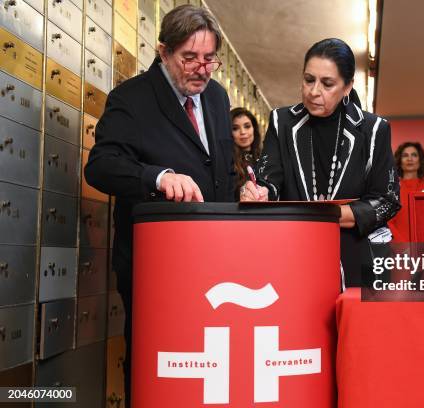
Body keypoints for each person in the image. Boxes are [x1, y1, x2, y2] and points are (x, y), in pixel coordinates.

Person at [84, 5, 235, 406]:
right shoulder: (131, 98)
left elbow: (221, 169)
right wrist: (157, 176)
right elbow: (100, 166)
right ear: (163, 51)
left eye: (210, 59)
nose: (202, 69)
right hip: (157, 265)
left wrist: (244, 191)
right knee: (160, 367)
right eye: (190, 58)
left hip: (216, 265)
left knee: (208, 368)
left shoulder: (217, 98)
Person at [239, 38, 400, 287]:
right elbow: (269, 179)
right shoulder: (283, 122)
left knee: (355, 325)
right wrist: (258, 191)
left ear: (347, 87)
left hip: (359, 255)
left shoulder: (374, 129)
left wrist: (328, 215)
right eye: (308, 79)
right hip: (297, 251)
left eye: (327, 84)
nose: (314, 91)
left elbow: (387, 200)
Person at [388, 142, 424, 242]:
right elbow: (388, 222)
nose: (409, 159)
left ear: (420, 160)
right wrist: (403, 246)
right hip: (399, 247)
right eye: (405, 155)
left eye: (414, 155)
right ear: (399, 161)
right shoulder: (391, 187)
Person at [231, 107, 262, 198]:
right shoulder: (228, 161)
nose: (243, 132)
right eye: (235, 128)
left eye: (247, 126)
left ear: (254, 128)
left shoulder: (265, 156)